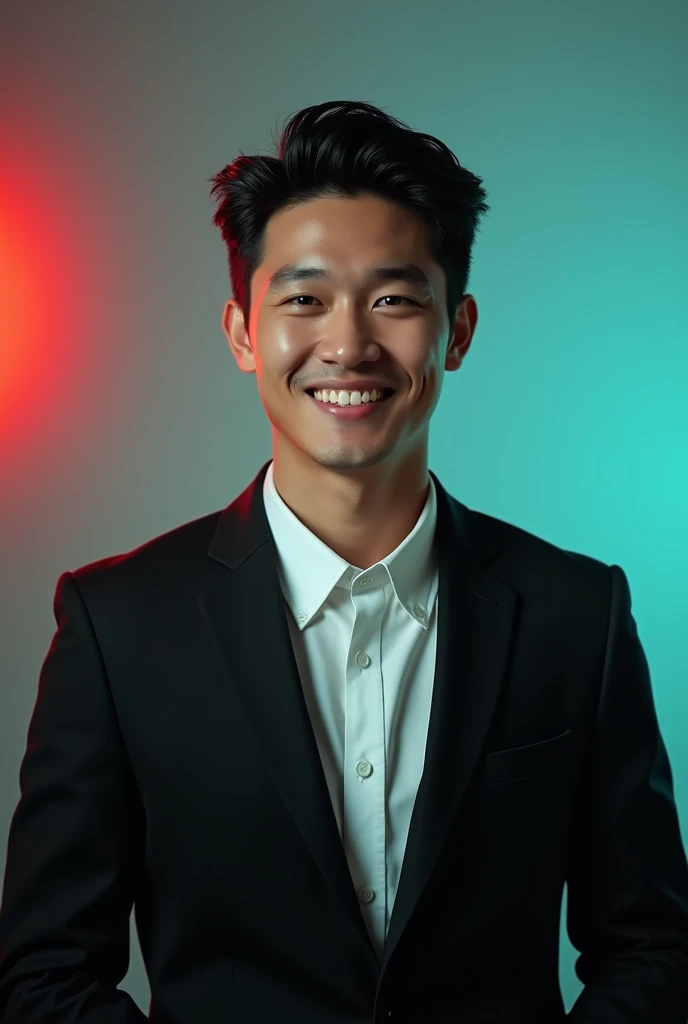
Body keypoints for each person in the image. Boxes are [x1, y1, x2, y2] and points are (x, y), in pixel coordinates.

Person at [0, 99, 687, 1024]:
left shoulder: (577, 614)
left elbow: (652, 949)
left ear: (458, 330)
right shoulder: (118, 624)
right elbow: (45, 976)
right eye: (304, 299)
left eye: (395, 298)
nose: (349, 343)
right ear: (245, 332)